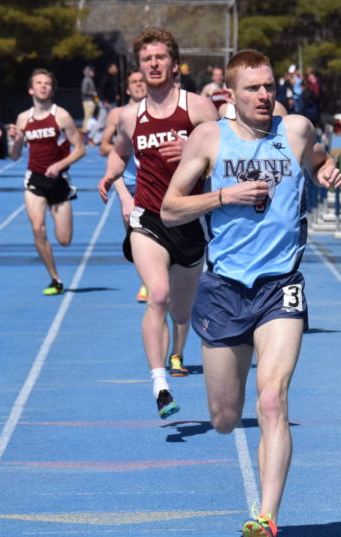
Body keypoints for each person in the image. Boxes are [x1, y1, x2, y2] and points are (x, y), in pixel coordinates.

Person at [159, 49, 341, 537]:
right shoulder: (211, 137)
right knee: (223, 417)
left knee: (272, 399)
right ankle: (237, 445)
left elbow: (319, 157)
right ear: (230, 97)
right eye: (253, 89)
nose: (264, 96)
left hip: (280, 285)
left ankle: (266, 519)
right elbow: (171, 208)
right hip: (224, 288)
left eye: (269, 87)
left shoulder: (298, 129)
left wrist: (327, 172)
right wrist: (224, 197)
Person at [98, 28, 219, 418]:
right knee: (158, 296)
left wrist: (195, 148)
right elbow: (119, 152)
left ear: (173, 63)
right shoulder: (131, 117)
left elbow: (226, 157)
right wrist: (112, 177)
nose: (153, 64)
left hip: (189, 219)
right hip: (148, 217)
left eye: (160, 57)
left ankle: (176, 351)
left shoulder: (199, 109)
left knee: (182, 311)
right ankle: (160, 384)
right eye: (147, 59)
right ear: (139, 67)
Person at [7, 69, 86, 294]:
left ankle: (56, 270)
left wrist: (59, 165)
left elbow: (80, 149)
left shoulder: (61, 116)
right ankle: (55, 279)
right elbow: (14, 156)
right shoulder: (24, 118)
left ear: (52, 89)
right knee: (38, 228)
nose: (43, 86)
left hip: (59, 181)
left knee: (64, 240)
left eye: (47, 83)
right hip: (34, 180)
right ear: (31, 89)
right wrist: (15, 141)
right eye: (39, 83)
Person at [99, 69, 151, 303]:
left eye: (143, 81)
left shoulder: (160, 112)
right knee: (135, 237)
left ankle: (155, 280)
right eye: (134, 82)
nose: (139, 85)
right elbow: (103, 148)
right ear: (127, 88)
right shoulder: (119, 114)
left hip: (156, 184)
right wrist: (122, 195)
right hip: (129, 185)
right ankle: (147, 281)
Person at [80, 66, 98, 133]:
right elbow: (84, 91)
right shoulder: (86, 80)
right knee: (88, 116)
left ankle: (88, 129)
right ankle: (85, 130)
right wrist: (92, 93)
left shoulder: (90, 79)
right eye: (92, 71)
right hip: (88, 101)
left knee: (89, 116)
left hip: (91, 100)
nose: (94, 73)